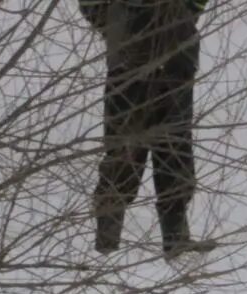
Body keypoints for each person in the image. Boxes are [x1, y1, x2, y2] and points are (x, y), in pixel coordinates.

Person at [80, 0, 216, 259]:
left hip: (177, 50)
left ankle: (176, 240)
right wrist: (110, 21)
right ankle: (106, 245)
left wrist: (184, 15)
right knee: (124, 145)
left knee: (176, 147)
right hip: (128, 50)